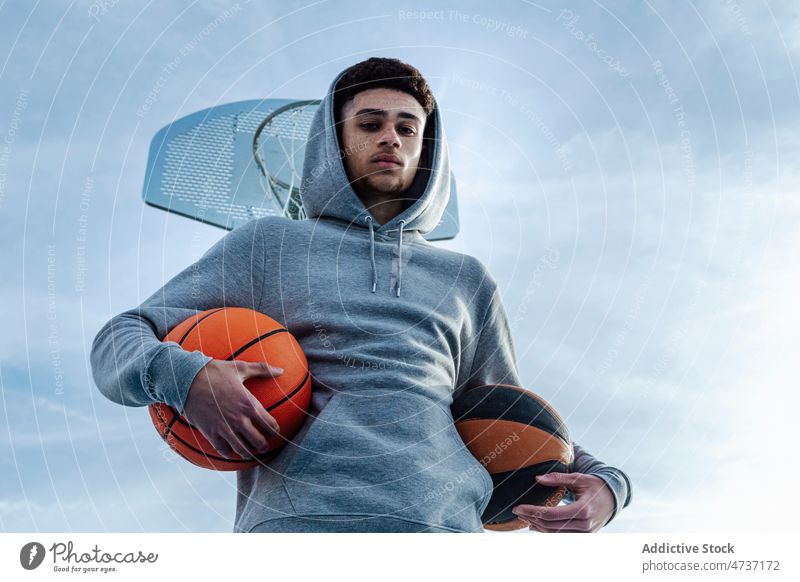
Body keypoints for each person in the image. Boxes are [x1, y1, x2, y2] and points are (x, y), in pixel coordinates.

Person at [91, 57, 631, 533]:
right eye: (370, 124)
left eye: (407, 127)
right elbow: (118, 339)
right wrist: (188, 378)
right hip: (297, 532)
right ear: (335, 141)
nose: (390, 138)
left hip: (443, 537)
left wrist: (607, 485)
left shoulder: (466, 280)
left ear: (426, 148)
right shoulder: (270, 244)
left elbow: (510, 419)